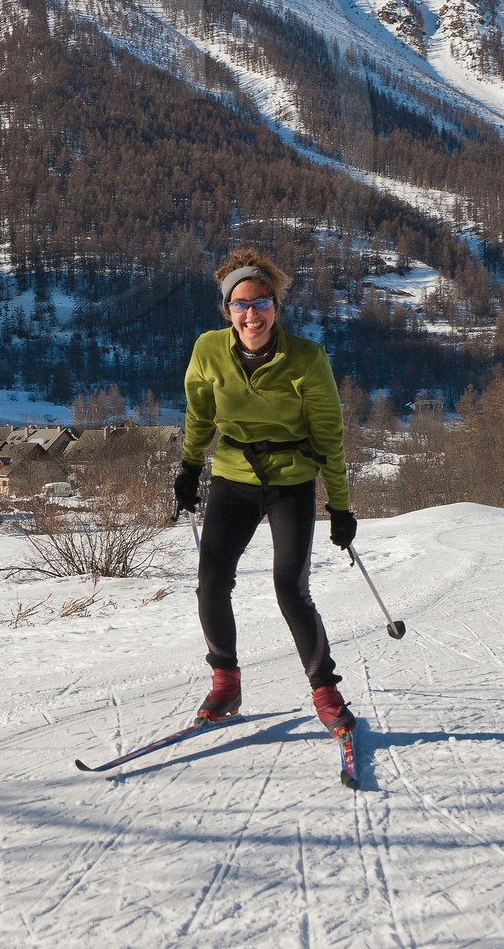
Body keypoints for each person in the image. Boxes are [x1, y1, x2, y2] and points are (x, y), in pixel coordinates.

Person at [173, 247, 358, 733]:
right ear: (227, 310)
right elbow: (199, 416)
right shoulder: (208, 351)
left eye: (261, 303)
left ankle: (326, 692)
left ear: (275, 307)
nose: (251, 314)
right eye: (241, 304)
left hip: (291, 482)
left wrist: (339, 506)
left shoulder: (306, 358)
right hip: (233, 476)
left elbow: (328, 436)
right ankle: (225, 682)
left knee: (290, 589)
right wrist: (190, 469)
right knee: (211, 581)